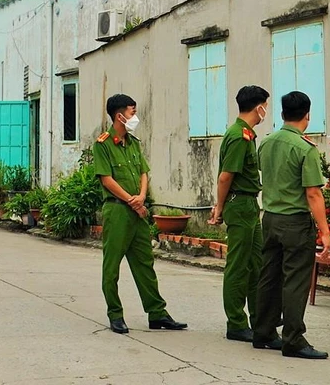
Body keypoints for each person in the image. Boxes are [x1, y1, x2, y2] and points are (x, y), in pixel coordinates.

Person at [94, 93, 187, 334]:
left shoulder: (134, 144)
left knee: (145, 263)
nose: (136, 117)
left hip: (137, 211)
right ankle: (115, 314)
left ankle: (157, 313)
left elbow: (144, 172)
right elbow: (106, 179)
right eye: (132, 113)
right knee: (112, 265)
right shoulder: (103, 144)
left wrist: (142, 196)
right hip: (117, 211)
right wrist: (131, 200)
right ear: (119, 115)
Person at [251, 91, 330, 359]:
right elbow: (313, 193)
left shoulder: (267, 142)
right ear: (307, 115)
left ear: (282, 114)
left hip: (270, 218)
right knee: (295, 280)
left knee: (269, 276)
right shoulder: (305, 148)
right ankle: (293, 339)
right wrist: (325, 230)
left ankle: (262, 331)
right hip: (295, 221)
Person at [210, 85, 270, 343]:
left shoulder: (247, 134)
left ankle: (260, 318)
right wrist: (219, 208)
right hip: (239, 204)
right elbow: (226, 176)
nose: (266, 110)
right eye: (265, 106)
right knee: (238, 265)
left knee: (256, 262)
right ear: (259, 107)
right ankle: (235, 322)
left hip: (249, 204)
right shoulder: (238, 136)